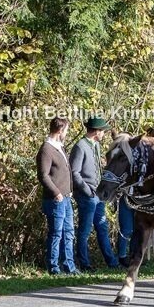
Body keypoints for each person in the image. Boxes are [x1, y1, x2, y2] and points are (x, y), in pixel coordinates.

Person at [70, 116, 120, 271]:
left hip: (98, 194)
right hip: (87, 195)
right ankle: (84, 264)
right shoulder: (80, 146)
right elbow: (75, 172)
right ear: (96, 132)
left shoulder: (96, 145)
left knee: (102, 227)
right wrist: (88, 191)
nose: (104, 134)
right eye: (102, 131)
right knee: (84, 230)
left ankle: (111, 262)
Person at [37, 117, 78, 275]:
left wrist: (69, 191)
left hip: (67, 197)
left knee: (69, 231)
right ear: (60, 130)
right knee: (56, 232)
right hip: (55, 199)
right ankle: (53, 266)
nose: (67, 133)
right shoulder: (46, 149)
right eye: (66, 130)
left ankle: (69, 265)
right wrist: (56, 193)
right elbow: (43, 175)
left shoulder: (60, 147)